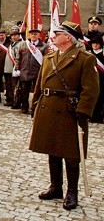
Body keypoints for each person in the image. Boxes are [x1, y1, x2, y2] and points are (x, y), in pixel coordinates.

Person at [29, 21, 98, 211]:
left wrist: (83, 111)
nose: (53, 36)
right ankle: (55, 187)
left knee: (71, 154)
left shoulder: (84, 59)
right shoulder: (49, 57)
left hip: (70, 111)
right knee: (52, 149)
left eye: (57, 33)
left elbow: (91, 90)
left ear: (68, 37)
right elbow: (40, 84)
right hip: (49, 108)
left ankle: (72, 192)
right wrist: (34, 104)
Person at [14, 28, 47, 114]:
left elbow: (46, 60)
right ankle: (24, 107)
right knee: (24, 92)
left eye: (35, 34)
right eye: (32, 34)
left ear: (39, 35)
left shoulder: (44, 46)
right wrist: (17, 68)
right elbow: (18, 58)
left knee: (37, 92)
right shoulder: (24, 45)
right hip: (25, 72)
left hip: (38, 72)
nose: (33, 35)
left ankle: (35, 108)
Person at [87, 35, 104, 123]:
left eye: (97, 43)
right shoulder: (88, 54)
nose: (95, 45)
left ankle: (99, 116)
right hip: (90, 80)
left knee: (100, 99)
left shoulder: (103, 54)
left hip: (102, 81)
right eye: (93, 43)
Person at [5, 29, 23, 107]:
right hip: (9, 69)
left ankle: (16, 102)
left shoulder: (20, 44)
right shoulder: (11, 44)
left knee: (16, 87)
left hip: (15, 68)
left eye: (15, 35)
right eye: (12, 36)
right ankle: (11, 100)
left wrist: (17, 67)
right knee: (9, 86)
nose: (13, 37)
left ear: (19, 36)